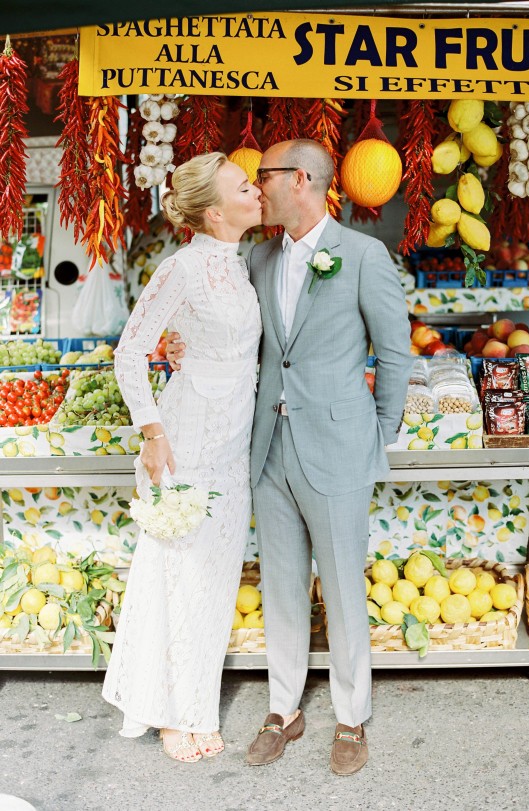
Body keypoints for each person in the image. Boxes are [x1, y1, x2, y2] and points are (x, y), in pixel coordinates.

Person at [166, 139, 412, 775]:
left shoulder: (362, 255)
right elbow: (239, 337)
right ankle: (284, 708)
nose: (255, 186)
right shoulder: (260, 255)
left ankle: (352, 716)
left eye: (262, 176)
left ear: (299, 180)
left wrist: (375, 432)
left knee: (342, 587)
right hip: (268, 450)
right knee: (280, 586)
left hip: (338, 446)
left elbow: (395, 352)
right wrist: (183, 344)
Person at [102, 154, 263, 763]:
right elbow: (130, 352)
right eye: (245, 186)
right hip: (188, 433)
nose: (256, 191)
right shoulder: (182, 267)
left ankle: (195, 699)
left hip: (233, 440)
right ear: (216, 210)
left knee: (215, 576)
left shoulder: (239, 264)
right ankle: (174, 713)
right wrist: (152, 433)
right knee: (179, 572)